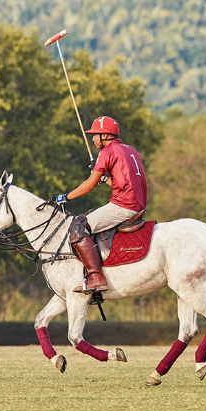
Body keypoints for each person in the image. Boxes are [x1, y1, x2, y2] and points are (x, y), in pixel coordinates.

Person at [50, 116, 147, 294]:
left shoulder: (107, 152)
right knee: (90, 215)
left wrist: (64, 197)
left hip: (124, 205)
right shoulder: (130, 149)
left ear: (104, 135)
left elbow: (89, 185)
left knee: (78, 227)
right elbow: (122, 183)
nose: (93, 139)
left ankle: (96, 277)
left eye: (95, 135)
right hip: (137, 204)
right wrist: (105, 178)